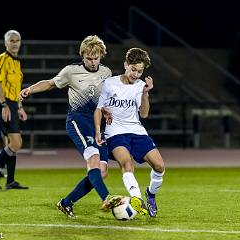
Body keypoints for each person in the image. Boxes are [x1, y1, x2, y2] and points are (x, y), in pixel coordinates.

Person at [20, 35, 125, 218]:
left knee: (102, 171)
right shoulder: (71, 71)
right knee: (92, 159)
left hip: (96, 123)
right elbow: (51, 84)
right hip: (78, 120)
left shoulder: (106, 73)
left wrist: (106, 110)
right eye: (89, 58)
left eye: (96, 57)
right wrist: (30, 89)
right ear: (82, 56)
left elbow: (103, 99)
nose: (93, 62)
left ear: (101, 55)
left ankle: (66, 203)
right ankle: (106, 197)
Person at [94, 47, 166, 217]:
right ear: (126, 65)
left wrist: (145, 94)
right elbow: (98, 109)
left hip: (137, 131)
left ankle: (150, 194)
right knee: (127, 164)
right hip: (115, 132)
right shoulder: (110, 83)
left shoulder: (141, 86)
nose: (136, 74)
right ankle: (137, 199)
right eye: (133, 69)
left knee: (160, 166)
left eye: (140, 71)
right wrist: (98, 130)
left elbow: (144, 114)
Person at [0, 30, 28, 190]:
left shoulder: (17, 62)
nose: (15, 43)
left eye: (17, 40)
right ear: (6, 43)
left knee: (12, 143)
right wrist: (4, 105)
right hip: (4, 103)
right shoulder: (1, 60)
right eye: (12, 40)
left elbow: (16, 88)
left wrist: (20, 107)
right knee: (16, 143)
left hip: (13, 104)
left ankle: (10, 181)